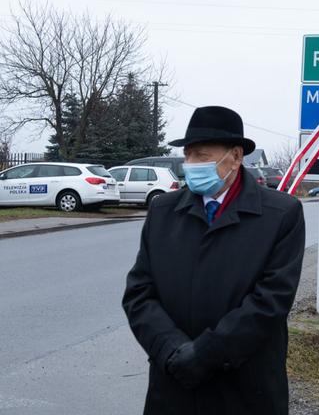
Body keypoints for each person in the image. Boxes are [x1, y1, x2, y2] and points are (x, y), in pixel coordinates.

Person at [122, 106, 305, 415]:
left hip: (244, 390)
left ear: (235, 156)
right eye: (188, 155)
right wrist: (172, 351)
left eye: (202, 156)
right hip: (174, 386)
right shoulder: (163, 211)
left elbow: (270, 302)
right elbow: (139, 293)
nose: (191, 165)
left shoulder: (280, 214)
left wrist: (205, 354)